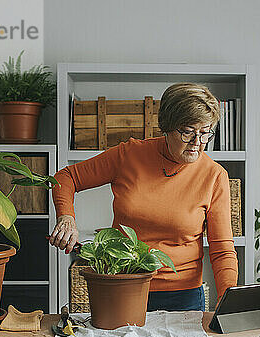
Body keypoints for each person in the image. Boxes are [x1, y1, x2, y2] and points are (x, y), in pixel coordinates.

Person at [49, 82, 238, 312]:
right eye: (188, 131)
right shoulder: (129, 155)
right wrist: (66, 217)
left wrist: (227, 298)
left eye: (205, 132)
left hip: (184, 296)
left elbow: (222, 248)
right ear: (167, 126)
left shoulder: (214, 176)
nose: (197, 143)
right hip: (122, 286)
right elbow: (66, 177)